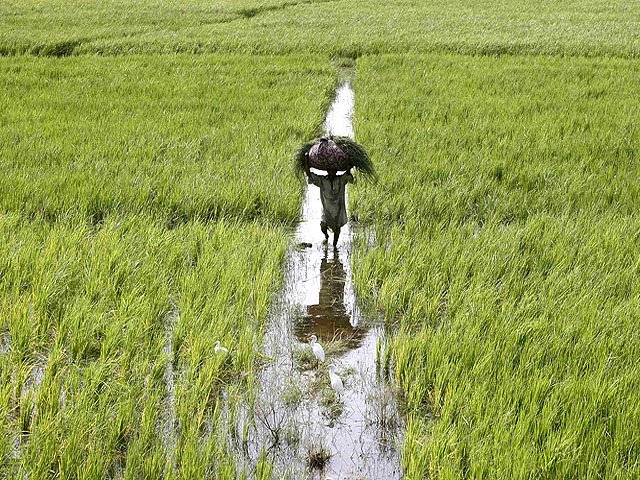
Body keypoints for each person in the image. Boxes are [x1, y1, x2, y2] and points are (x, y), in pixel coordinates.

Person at [305, 162, 355, 246]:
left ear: (336, 172)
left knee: (337, 229)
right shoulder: (322, 180)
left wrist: (349, 168)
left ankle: (335, 246)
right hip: (326, 208)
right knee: (323, 225)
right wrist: (307, 165)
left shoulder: (341, 179)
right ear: (327, 171)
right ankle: (326, 235)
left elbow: (349, 178)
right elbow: (311, 177)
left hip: (338, 208)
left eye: (333, 171)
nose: (331, 173)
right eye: (330, 171)